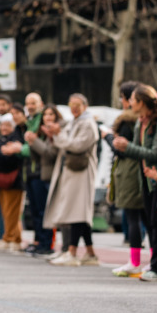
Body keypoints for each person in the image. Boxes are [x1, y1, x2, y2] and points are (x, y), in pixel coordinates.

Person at [112, 84, 157, 281]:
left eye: (132, 99)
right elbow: (136, 150)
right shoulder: (140, 122)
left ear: (141, 102)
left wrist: (127, 147)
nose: (128, 103)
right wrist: (122, 146)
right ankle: (156, 265)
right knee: (153, 223)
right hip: (145, 179)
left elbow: (155, 153)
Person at [45, 93, 100, 267]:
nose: (74, 108)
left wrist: (58, 135)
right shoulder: (75, 121)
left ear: (85, 106)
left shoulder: (88, 124)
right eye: (71, 104)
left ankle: (72, 252)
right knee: (79, 213)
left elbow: (76, 145)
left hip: (81, 172)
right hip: (72, 172)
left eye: (78, 104)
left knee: (77, 212)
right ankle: (90, 253)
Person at [107, 82, 145, 276]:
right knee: (149, 219)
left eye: (124, 97)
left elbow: (120, 150)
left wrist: (107, 137)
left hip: (130, 172)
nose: (122, 101)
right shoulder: (145, 120)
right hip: (142, 171)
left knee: (134, 217)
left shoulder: (128, 121)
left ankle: (136, 262)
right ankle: (154, 261)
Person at [23, 104, 62, 257]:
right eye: (46, 115)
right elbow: (35, 155)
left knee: (47, 212)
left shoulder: (56, 133)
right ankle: (40, 242)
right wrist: (32, 141)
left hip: (48, 176)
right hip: (36, 174)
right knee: (37, 211)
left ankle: (48, 244)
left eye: (51, 114)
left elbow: (49, 153)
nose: (48, 117)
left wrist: (34, 142)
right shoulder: (41, 131)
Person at [0, 113, 24, 252]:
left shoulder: (16, 138)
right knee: (6, 211)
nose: (4, 128)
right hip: (2, 179)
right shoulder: (1, 139)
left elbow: (10, 159)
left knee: (13, 212)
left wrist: (4, 151)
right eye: (2, 125)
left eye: (8, 125)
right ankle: (9, 237)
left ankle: (13, 239)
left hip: (14, 179)